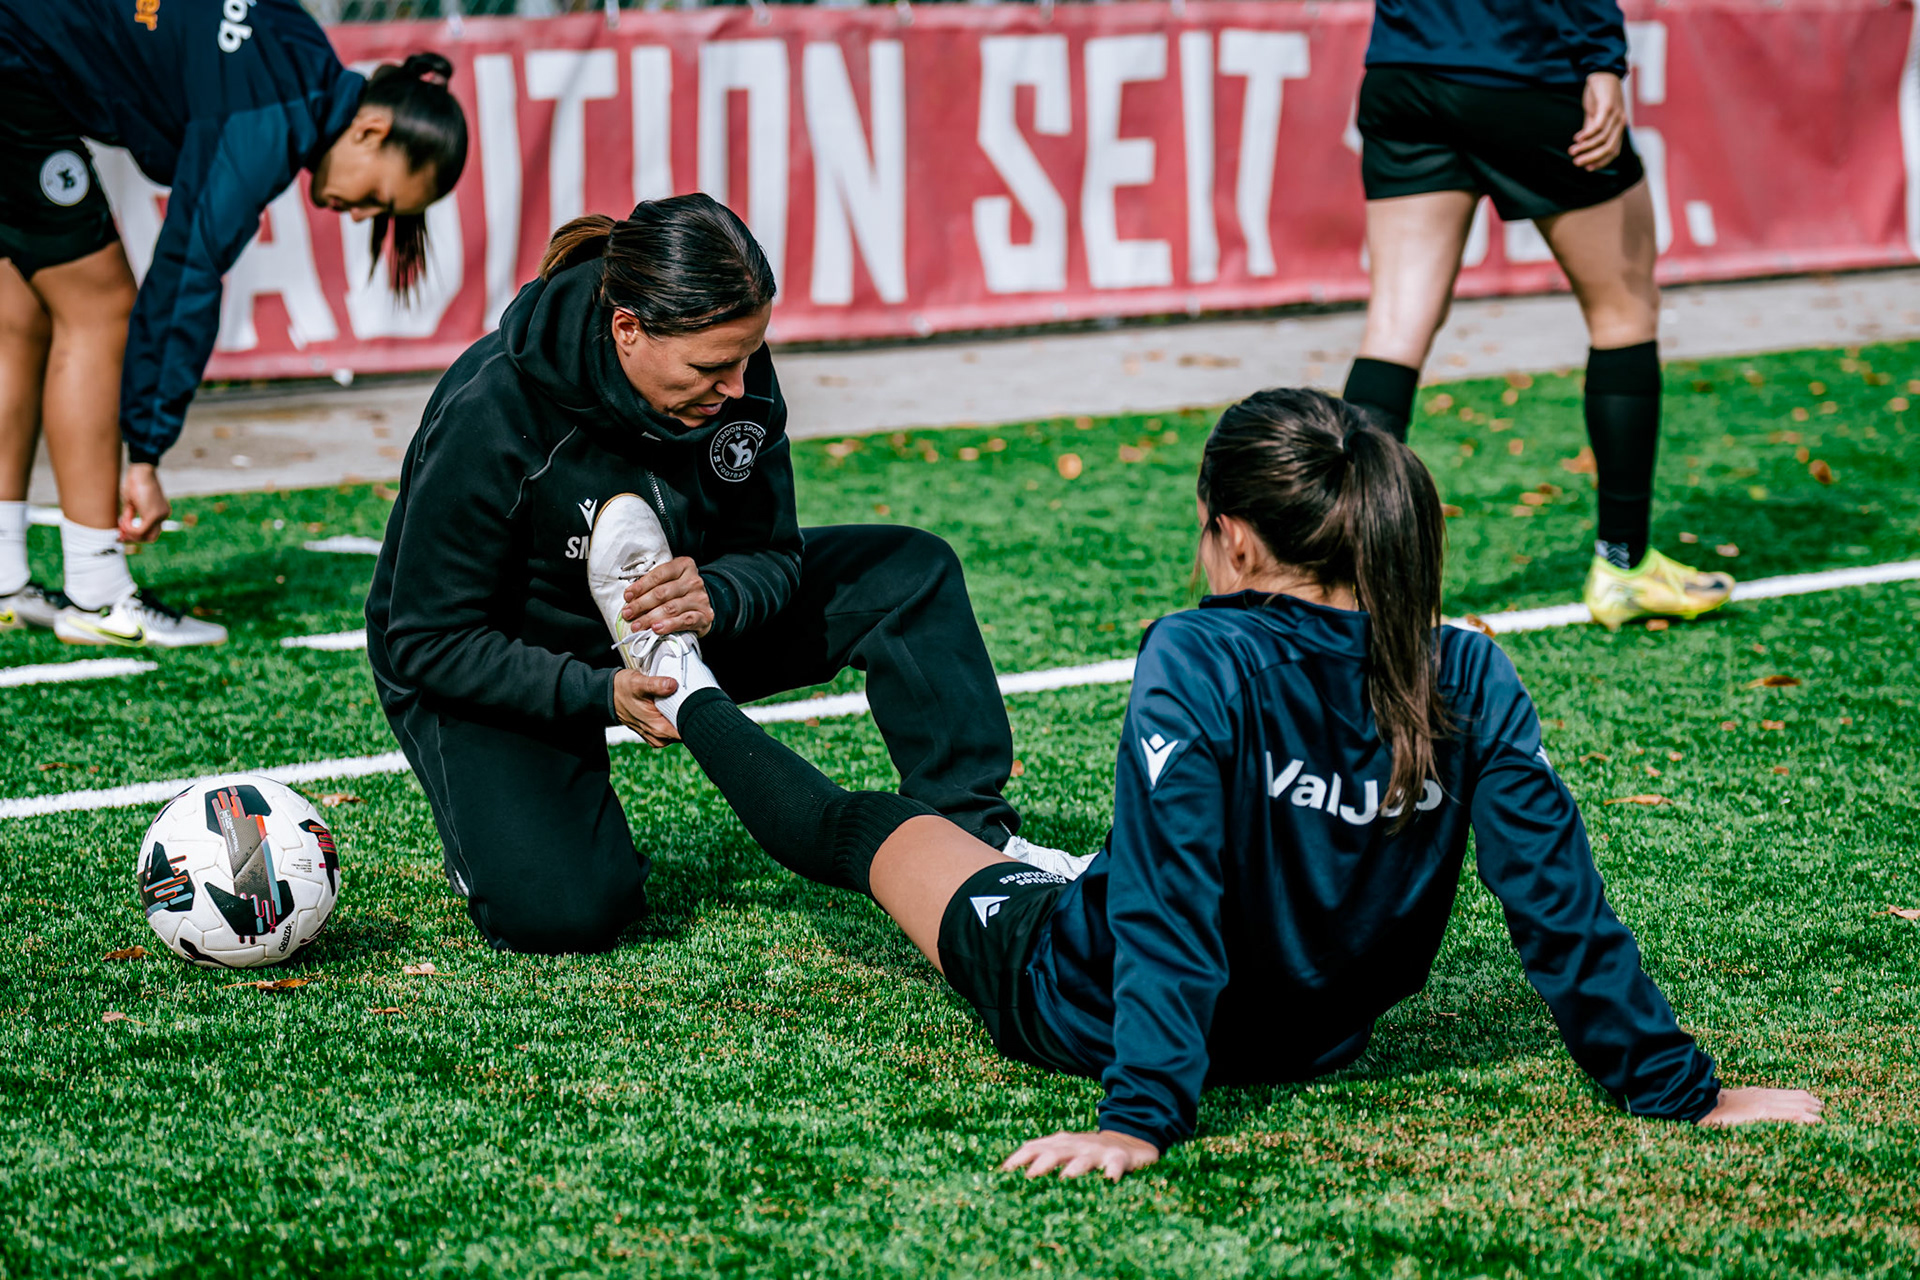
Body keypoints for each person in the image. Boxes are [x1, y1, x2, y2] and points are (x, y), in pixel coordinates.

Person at [608, 388, 1824, 1179]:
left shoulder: (1199, 650)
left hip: (1074, 990)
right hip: (1320, 1040)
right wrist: (1681, 1092)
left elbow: (1172, 899)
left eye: (1202, 524)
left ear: (1234, 536)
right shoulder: (1469, 665)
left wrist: (1139, 1115)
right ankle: (1046, 867)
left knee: (870, 826)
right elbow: (1558, 906)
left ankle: (680, 677)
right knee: (1092, 864)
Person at [365, 195, 1073, 956]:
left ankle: (971, 834)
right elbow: (426, 640)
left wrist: (719, 595)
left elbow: (772, 550)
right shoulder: (492, 410)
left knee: (908, 572)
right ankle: (495, 843)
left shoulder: (735, 375)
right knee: (566, 916)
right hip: (510, 654)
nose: (738, 386)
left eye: (749, 355)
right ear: (627, 330)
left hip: (676, 626)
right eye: (711, 366)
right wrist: (596, 692)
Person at [0, 0, 467, 646]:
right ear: (371, 129)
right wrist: (144, 456)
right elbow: (184, 277)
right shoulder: (267, 116)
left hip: (19, 46)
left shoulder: (297, 54)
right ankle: (97, 592)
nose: (360, 215)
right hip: (16, 59)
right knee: (99, 308)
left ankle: (5, 576)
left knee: (21, 315)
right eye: (377, 198)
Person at [1339, 0, 1731, 632]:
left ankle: (1344, 588)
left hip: (1404, 70)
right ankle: (1624, 565)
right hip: (1524, 63)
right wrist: (1602, 60)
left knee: (1394, 325)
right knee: (1624, 309)